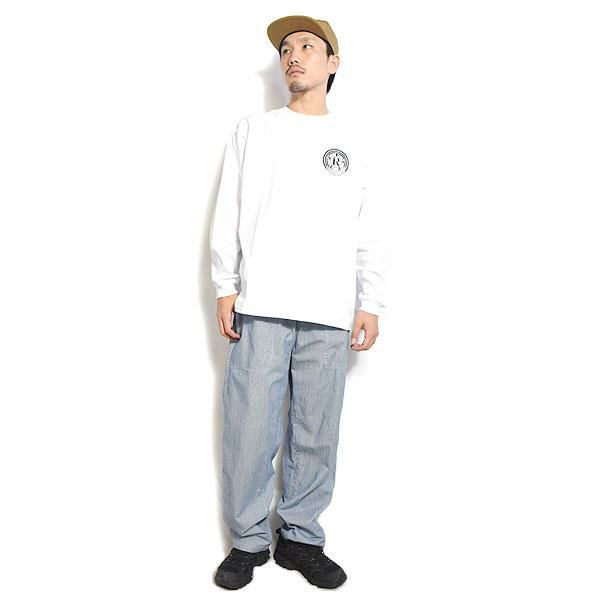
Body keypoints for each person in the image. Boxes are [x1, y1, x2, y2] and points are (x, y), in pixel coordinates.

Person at [210, 15, 387, 590]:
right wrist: (225, 284)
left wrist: (370, 299)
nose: (293, 54)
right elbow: (230, 210)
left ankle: (301, 538)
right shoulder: (254, 131)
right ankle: (247, 541)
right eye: (286, 47)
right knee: (249, 428)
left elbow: (368, 226)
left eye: (308, 45)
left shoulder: (354, 140)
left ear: (332, 63)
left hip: (329, 309)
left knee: (317, 430)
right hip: (261, 302)